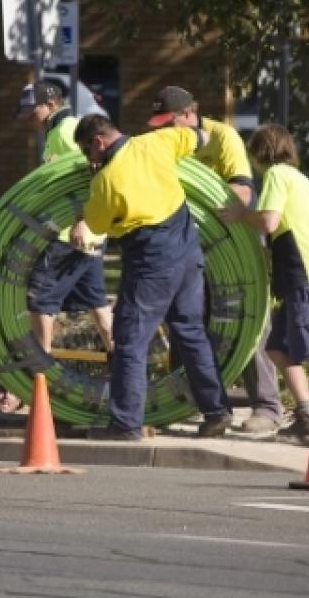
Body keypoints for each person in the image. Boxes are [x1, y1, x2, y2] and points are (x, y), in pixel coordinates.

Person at [74, 114, 231, 440]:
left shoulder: (107, 179)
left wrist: (83, 211)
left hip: (151, 262)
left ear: (99, 142)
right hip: (188, 253)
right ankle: (216, 412)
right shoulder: (158, 141)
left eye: (87, 151)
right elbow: (199, 137)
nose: (88, 159)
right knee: (191, 333)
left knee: (130, 341)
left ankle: (125, 425)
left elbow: (97, 227)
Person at [147, 85, 282, 434]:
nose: (162, 130)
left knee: (249, 320)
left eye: (168, 122)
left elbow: (241, 191)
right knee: (187, 319)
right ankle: (192, 400)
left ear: (189, 115)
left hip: (231, 243)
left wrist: (201, 205)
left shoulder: (223, 138)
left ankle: (266, 407)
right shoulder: (165, 142)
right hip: (188, 242)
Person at [218, 123, 309, 450]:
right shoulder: (303, 181)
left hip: (304, 275)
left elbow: (269, 220)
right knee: (277, 347)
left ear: (261, 152)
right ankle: (306, 420)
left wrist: (240, 215)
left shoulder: (277, 175)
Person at [15, 81, 113, 353]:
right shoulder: (58, 131)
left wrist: (82, 220)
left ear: (50, 105)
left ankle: (40, 371)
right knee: (97, 303)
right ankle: (122, 361)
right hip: (86, 234)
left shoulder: (65, 130)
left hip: (70, 234)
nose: (29, 119)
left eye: (31, 111)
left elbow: (95, 173)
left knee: (39, 298)